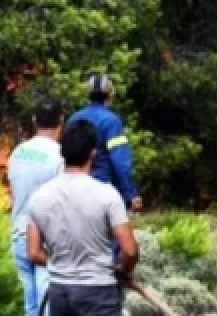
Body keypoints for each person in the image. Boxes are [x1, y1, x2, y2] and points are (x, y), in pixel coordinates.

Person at [27, 120, 139, 316]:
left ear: (62, 153)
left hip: (59, 292)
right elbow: (130, 251)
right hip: (99, 292)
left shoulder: (39, 197)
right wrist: (121, 270)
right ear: (93, 154)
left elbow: (34, 253)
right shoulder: (108, 195)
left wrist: (59, 265)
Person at [7, 99, 65, 316]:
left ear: (34, 121)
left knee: (31, 307)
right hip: (44, 242)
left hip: (19, 236)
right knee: (47, 304)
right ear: (61, 121)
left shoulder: (17, 153)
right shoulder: (60, 156)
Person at [65, 74, 141, 213]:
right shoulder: (111, 122)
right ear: (109, 94)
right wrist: (131, 194)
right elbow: (120, 161)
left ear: (87, 94)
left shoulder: (73, 119)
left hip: (72, 190)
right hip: (104, 188)